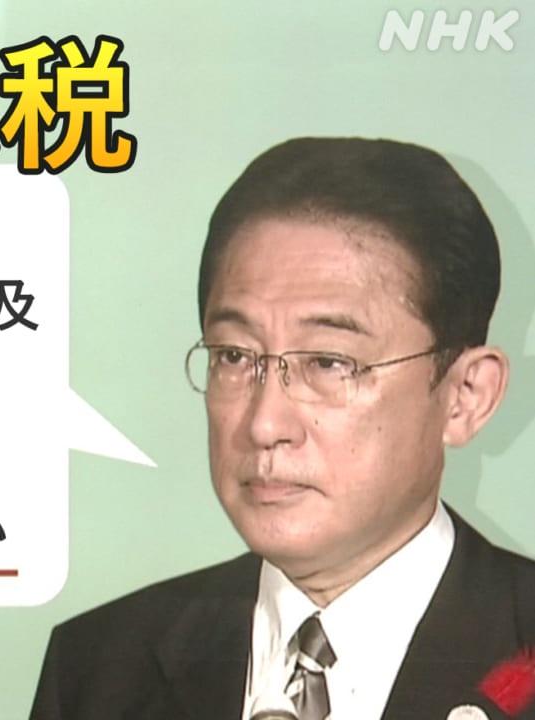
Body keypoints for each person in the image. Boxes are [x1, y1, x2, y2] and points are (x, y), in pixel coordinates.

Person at [30, 137, 535, 720]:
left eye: (329, 362)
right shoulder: (98, 668)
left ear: (466, 396)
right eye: (234, 356)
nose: (264, 423)